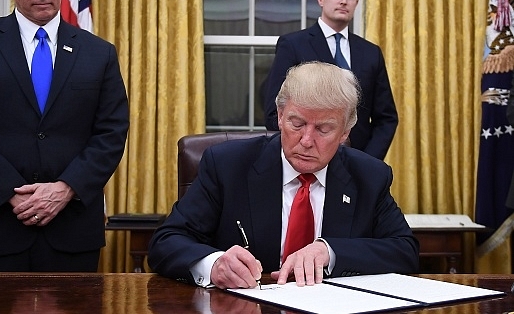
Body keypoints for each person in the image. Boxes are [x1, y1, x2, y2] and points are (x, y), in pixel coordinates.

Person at [148, 61, 418, 289]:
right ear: (279, 116)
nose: (306, 140)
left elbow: (405, 250)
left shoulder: (369, 176)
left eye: (324, 129)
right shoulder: (227, 165)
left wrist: (330, 252)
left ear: (346, 132)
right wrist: (214, 263)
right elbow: (166, 242)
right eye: (296, 123)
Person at [0, 0, 129, 272]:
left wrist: (65, 189)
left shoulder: (99, 53)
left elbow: (111, 133)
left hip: (70, 236)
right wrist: (10, 193)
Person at [262, 0, 398, 160]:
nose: (344, 1)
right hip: (306, 159)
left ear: (356, 3)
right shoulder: (293, 45)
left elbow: (386, 118)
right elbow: (274, 112)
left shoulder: (371, 52)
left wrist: (368, 161)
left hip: (358, 162)